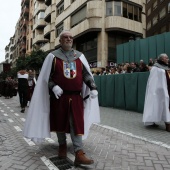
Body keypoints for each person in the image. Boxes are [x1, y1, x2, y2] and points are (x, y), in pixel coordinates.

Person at [23, 30, 100, 166]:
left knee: (75, 123)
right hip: (59, 97)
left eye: (71, 37)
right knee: (60, 122)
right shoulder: (52, 56)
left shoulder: (79, 56)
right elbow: (46, 77)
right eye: (65, 37)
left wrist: (93, 87)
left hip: (76, 97)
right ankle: (62, 145)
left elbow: (86, 75)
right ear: (60, 40)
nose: (69, 39)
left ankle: (79, 152)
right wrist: (53, 87)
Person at [143, 53, 170, 131]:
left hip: (166, 89)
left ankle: (167, 122)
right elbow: (153, 81)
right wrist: (154, 91)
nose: (167, 59)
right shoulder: (156, 67)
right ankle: (166, 123)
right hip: (158, 90)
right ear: (162, 59)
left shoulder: (166, 67)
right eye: (166, 58)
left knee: (165, 104)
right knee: (156, 104)